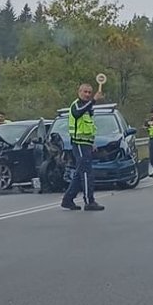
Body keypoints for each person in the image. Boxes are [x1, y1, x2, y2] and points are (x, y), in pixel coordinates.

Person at [61, 82, 105, 211]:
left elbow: (89, 127)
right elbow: (77, 113)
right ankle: (89, 201)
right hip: (79, 143)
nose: (87, 95)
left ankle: (67, 199)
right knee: (86, 172)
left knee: (79, 173)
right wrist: (94, 100)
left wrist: (92, 142)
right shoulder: (76, 105)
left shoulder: (88, 109)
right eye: (85, 92)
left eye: (89, 93)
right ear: (79, 92)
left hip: (86, 143)